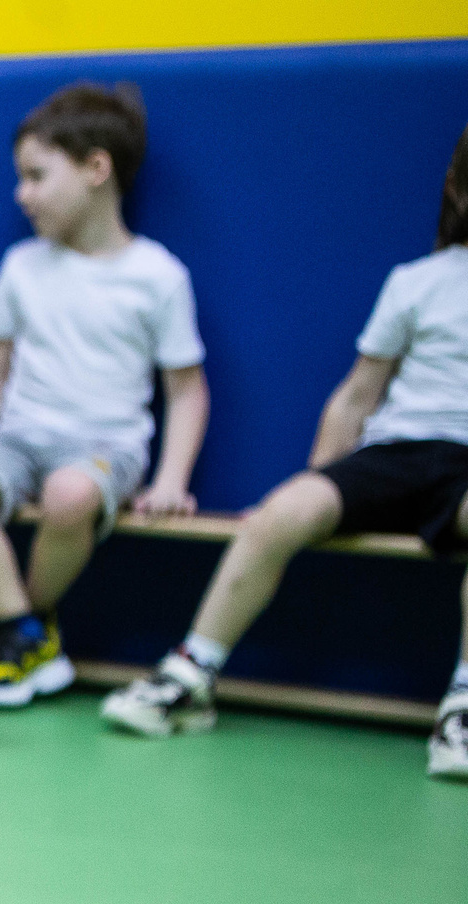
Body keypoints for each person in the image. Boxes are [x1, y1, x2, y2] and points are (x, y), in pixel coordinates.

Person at [104, 127, 468, 780]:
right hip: (397, 451)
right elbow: (357, 395)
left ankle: (462, 707)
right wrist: (320, 482)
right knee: (278, 513)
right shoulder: (419, 281)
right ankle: (191, 673)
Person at [0, 85, 206, 708]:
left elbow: (185, 391)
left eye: (35, 177)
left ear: (96, 169)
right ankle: (23, 632)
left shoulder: (157, 276)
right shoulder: (22, 265)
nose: (21, 195)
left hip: (107, 447)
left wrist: (170, 479)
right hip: (19, 440)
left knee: (70, 495)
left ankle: (28, 630)